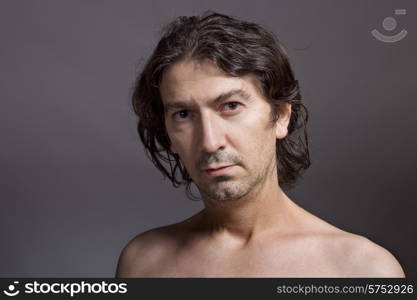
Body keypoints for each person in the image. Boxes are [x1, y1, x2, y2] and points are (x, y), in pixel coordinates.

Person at [116, 12, 405, 277]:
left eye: (231, 105)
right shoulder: (143, 263)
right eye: (183, 114)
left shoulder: (362, 270)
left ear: (280, 116)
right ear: (169, 137)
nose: (210, 141)